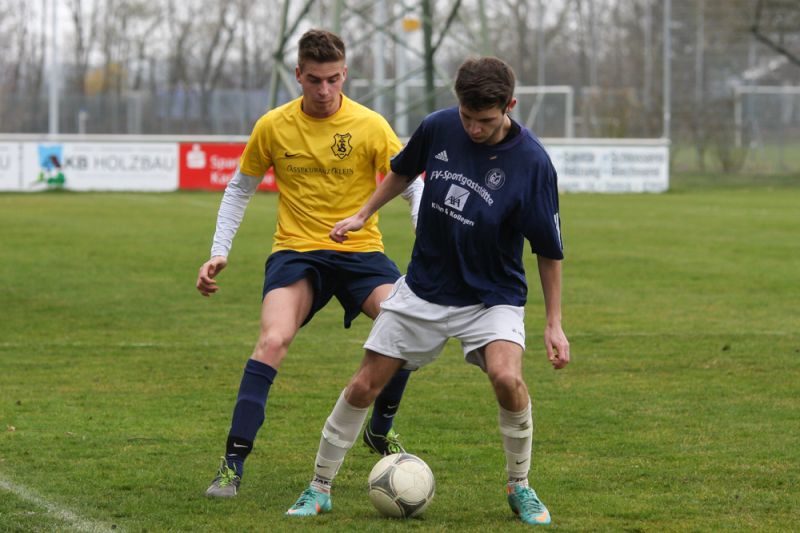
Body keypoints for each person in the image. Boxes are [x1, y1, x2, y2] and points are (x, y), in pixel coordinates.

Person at [286, 56, 570, 526]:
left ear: (510, 106)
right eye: (467, 116)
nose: (473, 129)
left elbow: (549, 250)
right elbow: (402, 171)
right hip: (424, 288)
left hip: (492, 297)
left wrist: (554, 323)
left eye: (485, 120)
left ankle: (519, 486)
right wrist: (362, 214)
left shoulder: (533, 163)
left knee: (508, 378)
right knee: (364, 384)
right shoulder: (439, 127)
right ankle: (319, 487)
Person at [196, 28, 424, 498]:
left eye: (333, 79)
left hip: (361, 252)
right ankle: (232, 465)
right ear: (298, 75)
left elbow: (412, 184)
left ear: (345, 75)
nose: (324, 90)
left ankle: (379, 429)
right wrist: (220, 250)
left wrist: (427, 245)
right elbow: (239, 188)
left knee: (409, 330)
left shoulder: (370, 125)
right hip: (297, 252)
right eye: (315, 80)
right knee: (272, 341)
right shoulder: (273, 125)